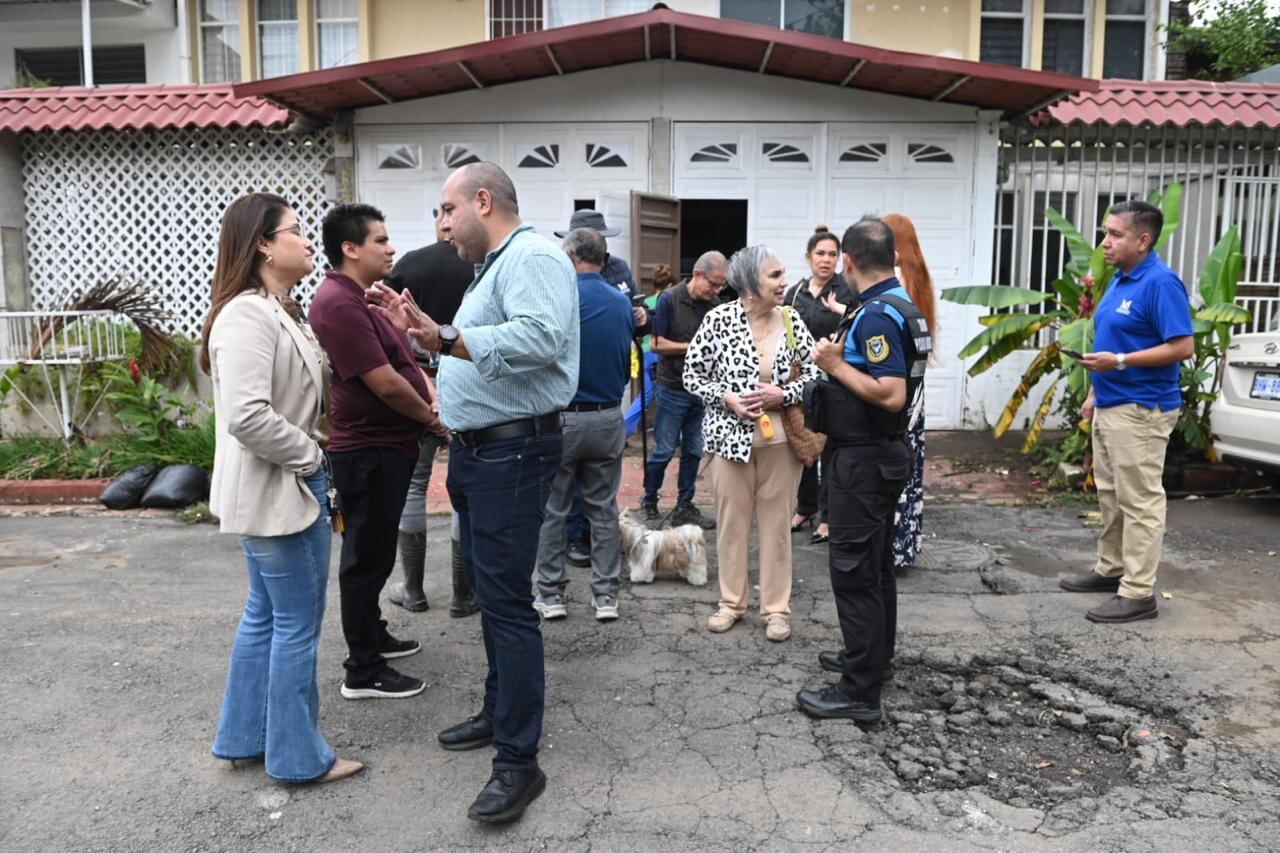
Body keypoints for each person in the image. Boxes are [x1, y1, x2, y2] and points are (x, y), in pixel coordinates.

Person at [372, 162, 577, 824]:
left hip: (511, 453)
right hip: (483, 451)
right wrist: (431, 339)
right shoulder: (496, 264)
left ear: (482, 201)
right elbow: (486, 351)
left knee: (508, 604)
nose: (440, 224)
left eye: (446, 209)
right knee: (492, 597)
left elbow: (543, 340)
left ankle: (519, 760)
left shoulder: (534, 255)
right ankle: (498, 712)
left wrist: (445, 335)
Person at [204, 192, 361, 784]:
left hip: (276, 491)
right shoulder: (247, 314)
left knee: (266, 615)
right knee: (294, 622)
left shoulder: (273, 309)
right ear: (264, 244)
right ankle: (297, 758)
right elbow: (246, 415)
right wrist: (312, 459)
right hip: (281, 493)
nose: (305, 240)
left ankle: (245, 736)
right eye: (294, 230)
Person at [797, 217, 932, 724]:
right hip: (880, 453)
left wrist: (834, 365)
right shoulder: (902, 306)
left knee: (854, 573)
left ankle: (859, 692)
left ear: (849, 262)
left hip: (865, 458)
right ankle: (871, 660)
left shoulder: (877, 315)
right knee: (874, 567)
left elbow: (890, 392)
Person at [309, 203, 440, 701]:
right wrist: (431, 418)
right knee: (365, 559)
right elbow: (384, 383)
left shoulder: (362, 298)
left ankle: (374, 636)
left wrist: (404, 324)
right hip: (367, 450)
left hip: (388, 445)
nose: (390, 248)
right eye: (380, 240)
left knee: (378, 551)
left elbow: (403, 360)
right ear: (350, 248)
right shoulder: (338, 303)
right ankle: (361, 668)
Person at [1059, 200, 1193, 623]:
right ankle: (1112, 569)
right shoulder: (1121, 279)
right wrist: (1096, 393)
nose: (1105, 242)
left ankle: (1138, 593)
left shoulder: (1160, 283)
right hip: (1112, 405)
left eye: (1115, 234)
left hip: (1142, 410)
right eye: (1105, 232)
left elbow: (1182, 346)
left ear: (1143, 239)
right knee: (1112, 496)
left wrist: (1118, 363)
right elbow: (1118, 337)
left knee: (1140, 502)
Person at [683, 246, 818, 641]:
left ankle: (777, 610)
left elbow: (815, 376)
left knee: (777, 529)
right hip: (729, 443)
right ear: (749, 284)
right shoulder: (719, 320)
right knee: (731, 527)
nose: (783, 282)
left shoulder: (792, 320)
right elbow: (692, 375)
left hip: (781, 446)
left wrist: (784, 394)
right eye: (774, 276)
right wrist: (726, 398)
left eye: (782, 274)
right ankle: (731, 604)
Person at [382, 205, 480, 618]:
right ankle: (463, 595)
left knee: (414, 487)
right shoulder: (481, 268)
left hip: (417, 387)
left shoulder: (410, 265)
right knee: (463, 496)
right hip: (469, 387)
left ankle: (413, 590)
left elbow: (384, 323)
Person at [533, 228, 635, 622]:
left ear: (571, 256)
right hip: (609, 415)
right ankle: (606, 596)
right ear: (603, 259)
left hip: (562, 417)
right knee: (603, 510)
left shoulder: (558, 298)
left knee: (553, 510)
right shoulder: (620, 302)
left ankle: (552, 593)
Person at [553, 210, 647, 568]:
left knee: (599, 476)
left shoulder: (620, 270)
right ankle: (576, 535)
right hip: (572, 388)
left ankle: (596, 537)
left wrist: (642, 318)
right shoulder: (560, 272)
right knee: (572, 475)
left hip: (608, 383)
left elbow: (637, 317)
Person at [641, 252, 728, 529]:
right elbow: (656, 345)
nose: (716, 291)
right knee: (664, 449)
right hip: (672, 387)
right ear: (697, 274)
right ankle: (650, 498)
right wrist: (693, 346)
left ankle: (684, 505)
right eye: (713, 284)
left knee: (693, 450)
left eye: (720, 287)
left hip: (702, 390)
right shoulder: (669, 299)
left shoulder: (715, 304)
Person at [783, 227, 857, 545]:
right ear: (808, 257)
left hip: (834, 380)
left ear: (839, 259)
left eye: (831, 254)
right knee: (802, 444)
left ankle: (827, 516)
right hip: (801, 381)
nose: (826, 260)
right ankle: (806, 507)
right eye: (820, 254)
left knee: (828, 448)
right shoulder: (796, 293)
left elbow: (858, 328)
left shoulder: (847, 291)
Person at [883, 213, 939, 569]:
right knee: (910, 470)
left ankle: (888, 549)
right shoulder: (920, 278)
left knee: (891, 467)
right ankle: (904, 548)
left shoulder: (896, 281)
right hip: (916, 387)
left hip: (895, 385)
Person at [555, 208, 637, 297]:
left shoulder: (619, 266)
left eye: (600, 239)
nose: (597, 245)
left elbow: (636, 299)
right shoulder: (560, 273)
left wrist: (642, 310)